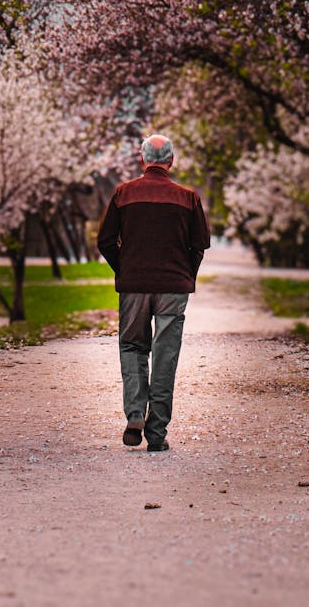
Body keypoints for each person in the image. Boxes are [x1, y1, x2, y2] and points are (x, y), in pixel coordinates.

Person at [97, 133, 211, 453]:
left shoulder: (123, 193)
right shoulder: (188, 198)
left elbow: (105, 241)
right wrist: (186, 274)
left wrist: (125, 269)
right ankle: (157, 432)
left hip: (134, 286)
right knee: (165, 354)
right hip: (173, 287)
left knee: (133, 346)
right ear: (171, 161)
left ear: (142, 159)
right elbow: (199, 244)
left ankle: (135, 414)